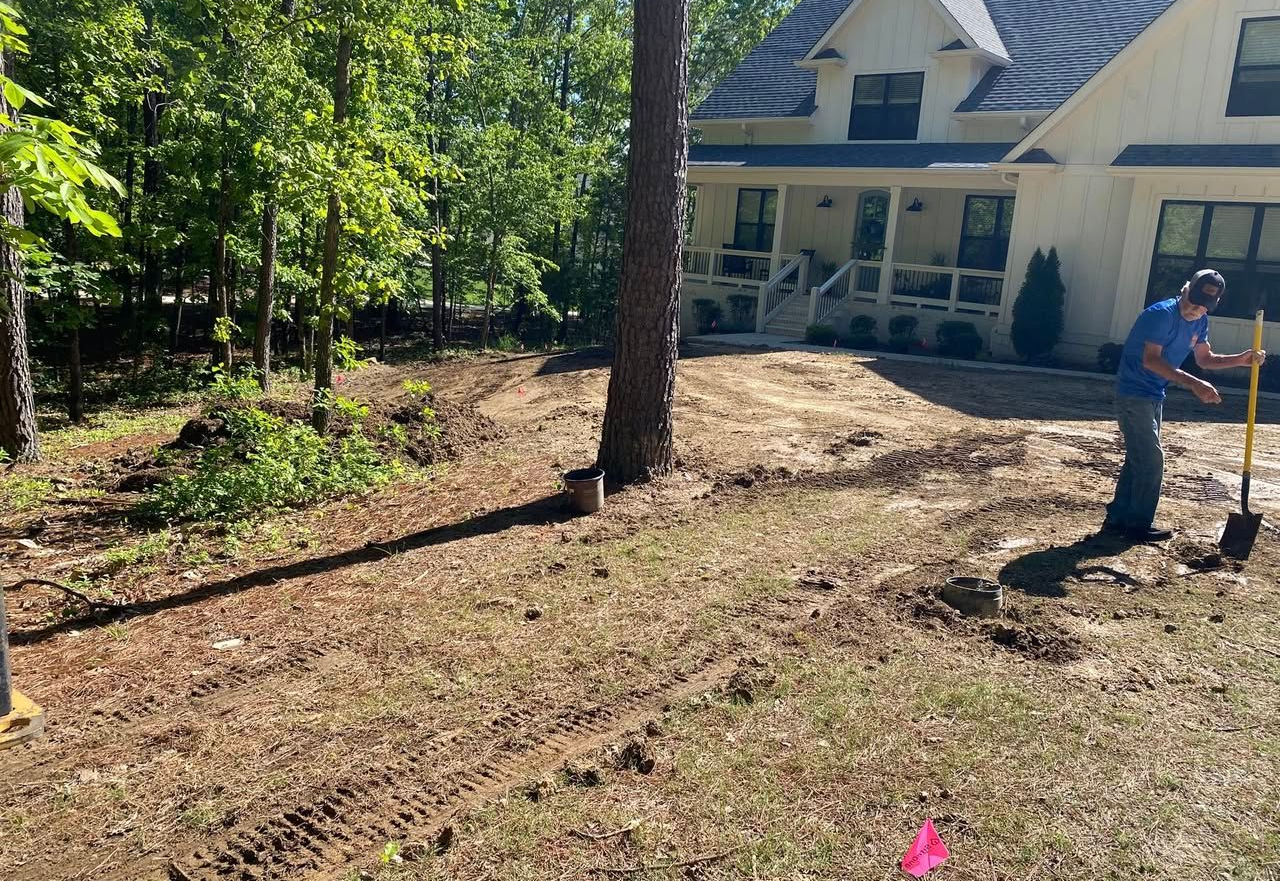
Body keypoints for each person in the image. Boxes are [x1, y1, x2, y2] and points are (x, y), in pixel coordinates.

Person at [1105, 269, 1266, 542]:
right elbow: (1151, 361)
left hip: (1154, 395)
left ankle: (1118, 517)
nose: (1195, 310)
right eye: (1192, 302)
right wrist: (1194, 384)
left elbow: (1205, 359)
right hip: (1133, 395)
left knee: (1139, 458)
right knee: (1152, 460)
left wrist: (1241, 359)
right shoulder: (1160, 315)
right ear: (1185, 289)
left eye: (1203, 307)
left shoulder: (1200, 322)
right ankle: (1137, 525)